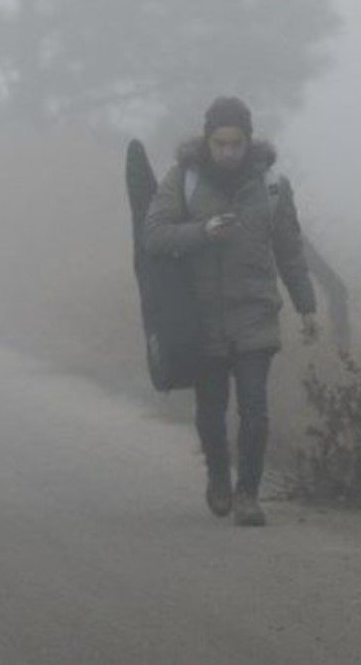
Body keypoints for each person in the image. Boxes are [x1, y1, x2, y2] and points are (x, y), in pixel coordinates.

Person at [143, 96, 318, 524]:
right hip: (201, 316)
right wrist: (202, 232)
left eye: (236, 143)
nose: (228, 152)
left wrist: (306, 306)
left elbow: (290, 250)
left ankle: (248, 495)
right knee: (211, 409)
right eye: (220, 143)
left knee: (255, 408)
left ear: (248, 140)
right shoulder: (183, 180)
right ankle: (219, 477)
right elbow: (154, 235)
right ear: (207, 140)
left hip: (256, 311)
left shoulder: (272, 186)